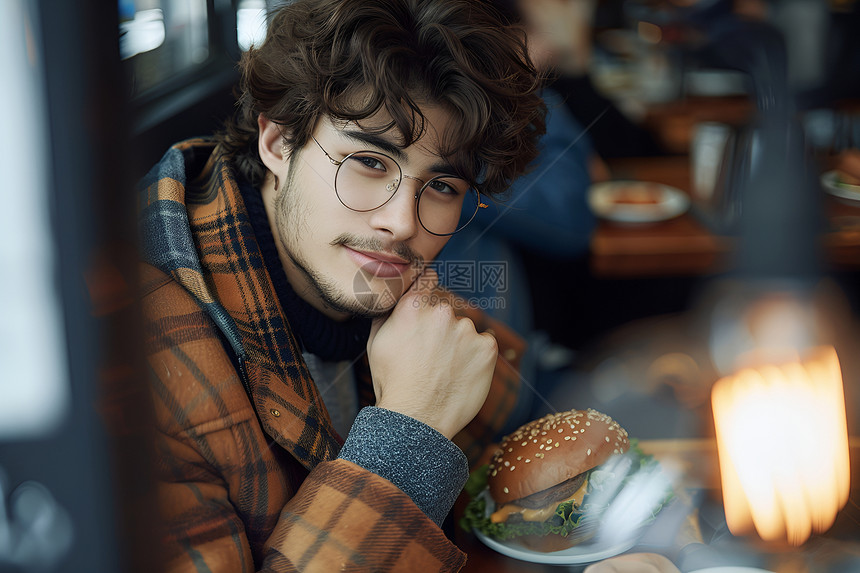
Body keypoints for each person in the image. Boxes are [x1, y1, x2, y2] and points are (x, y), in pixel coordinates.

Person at [135, 0, 682, 570]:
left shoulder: (392, 289)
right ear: (277, 142)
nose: (402, 222)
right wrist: (410, 430)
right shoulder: (138, 353)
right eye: (370, 161)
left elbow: (483, 502)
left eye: (442, 185)